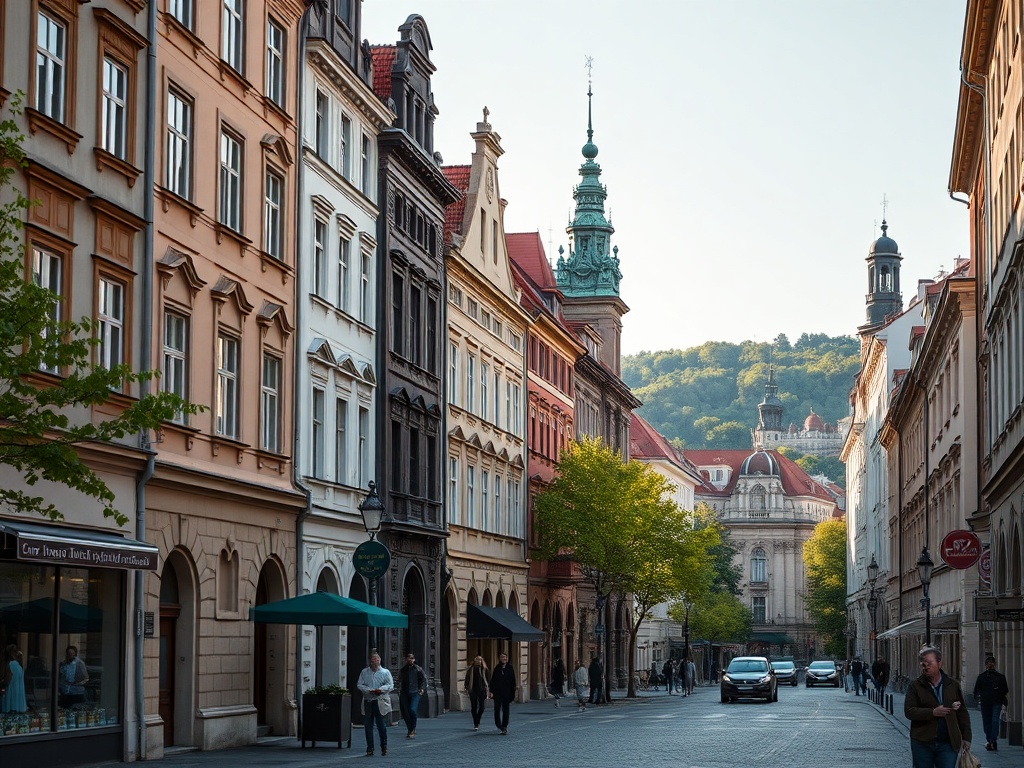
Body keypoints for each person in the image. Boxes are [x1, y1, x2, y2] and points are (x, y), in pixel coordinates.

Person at [905, 646, 971, 768]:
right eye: (923, 664)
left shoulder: (952, 685)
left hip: (948, 743)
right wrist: (932, 712)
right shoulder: (915, 686)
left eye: (929, 663)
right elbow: (909, 711)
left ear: (939, 664)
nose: (926, 667)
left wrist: (966, 737)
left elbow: (962, 712)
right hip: (922, 742)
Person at [356, 652, 394, 756]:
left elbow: (390, 685)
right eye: (373, 660)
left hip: (380, 701)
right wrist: (369, 690)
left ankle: (384, 746)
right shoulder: (364, 672)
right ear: (370, 661)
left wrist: (380, 689)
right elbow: (359, 684)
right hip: (368, 701)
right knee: (368, 726)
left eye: (376, 660)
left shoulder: (385, 672)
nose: (374, 662)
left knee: (381, 725)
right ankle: (370, 748)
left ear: (379, 660)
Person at [972, 654, 1010, 752]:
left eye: (992, 663)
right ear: (986, 665)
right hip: (985, 703)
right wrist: (978, 698)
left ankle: (993, 739)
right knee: (987, 722)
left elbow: (1005, 690)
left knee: (994, 721)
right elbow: (976, 690)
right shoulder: (981, 677)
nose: (990, 665)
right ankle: (989, 739)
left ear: (994, 664)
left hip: (996, 702)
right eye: (988, 663)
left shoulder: (1000, 677)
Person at [397, 652, 426, 739]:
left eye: (412, 658)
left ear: (414, 660)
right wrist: (399, 690)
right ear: (406, 660)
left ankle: (412, 729)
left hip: (414, 692)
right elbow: (399, 680)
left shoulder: (418, 669)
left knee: (413, 710)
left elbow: (424, 679)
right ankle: (410, 728)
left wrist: (421, 689)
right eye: (409, 658)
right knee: (405, 712)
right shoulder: (403, 670)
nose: (410, 660)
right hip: (404, 693)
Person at [488, 652, 516, 735]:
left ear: (507, 659)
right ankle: (498, 724)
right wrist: (491, 691)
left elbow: (513, 681)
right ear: (499, 659)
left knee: (506, 710)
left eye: (505, 658)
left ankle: (504, 726)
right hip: (497, 693)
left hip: (507, 693)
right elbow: (493, 680)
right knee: (497, 709)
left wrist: (513, 691)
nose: (504, 659)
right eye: (502, 657)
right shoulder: (497, 668)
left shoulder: (510, 668)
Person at [463, 655, 489, 731]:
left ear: (482, 661)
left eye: (480, 660)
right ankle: (476, 723)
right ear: (474, 661)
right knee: (474, 707)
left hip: (482, 691)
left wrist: (488, 689)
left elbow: (488, 680)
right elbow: (467, 679)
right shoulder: (471, 669)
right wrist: (466, 687)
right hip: (473, 690)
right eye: (477, 659)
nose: (478, 661)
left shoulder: (485, 670)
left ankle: (477, 719)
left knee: (482, 707)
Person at [1, 644, 26, 713]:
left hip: (10, 696)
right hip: (18, 698)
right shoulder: (19, 665)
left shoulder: (10, 664)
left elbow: (7, 680)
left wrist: (2, 685)